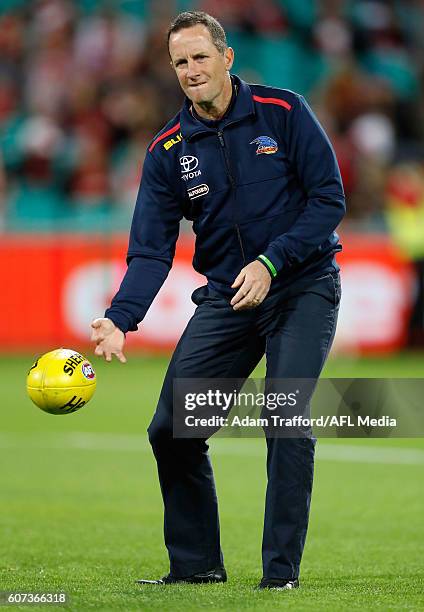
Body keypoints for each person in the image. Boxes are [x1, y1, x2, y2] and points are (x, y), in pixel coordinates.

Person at [91, 11, 345, 590]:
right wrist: (119, 318)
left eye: (200, 57)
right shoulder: (167, 150)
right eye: (180, 62)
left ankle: (280, 576)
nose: (190, 70)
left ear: (227, 58)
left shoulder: (285, 113)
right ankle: (197, 565)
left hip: (302, 286)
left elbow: (328, 199)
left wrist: (272, 259)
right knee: (171, 429)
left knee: (284, 419)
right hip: (228, 299)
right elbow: (151, 252)